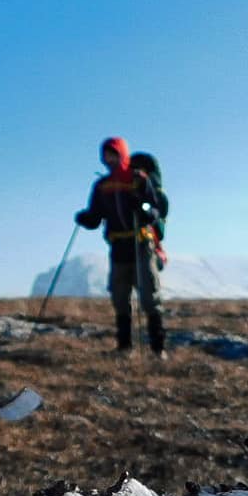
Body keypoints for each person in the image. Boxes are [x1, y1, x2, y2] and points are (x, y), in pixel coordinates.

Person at [75, 137, 168, 357]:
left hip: (141, 243)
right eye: (106, 155)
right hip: (118, 247)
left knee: (149, 298)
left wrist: (143, 207)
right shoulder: (101, 186)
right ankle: (125, 348)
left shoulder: (139, 180)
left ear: (122, 154)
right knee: (120, 298)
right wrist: (86, 219)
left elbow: (155, 211)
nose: (109, 159)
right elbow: (96, 217)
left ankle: (158, 349)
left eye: (113, 154)